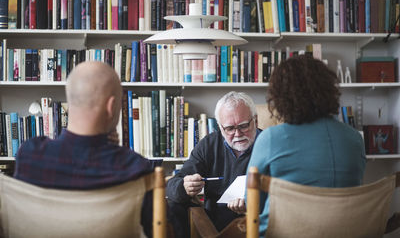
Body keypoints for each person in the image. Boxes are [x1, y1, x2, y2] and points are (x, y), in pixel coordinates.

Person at [14, 62, 154, 234]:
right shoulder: (135, 168)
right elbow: (163, 231)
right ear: (111, 107)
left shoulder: (29, 156)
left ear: (70, 101)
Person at [247, 55, 366, 237]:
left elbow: (253, 205)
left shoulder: (270, 138)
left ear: (280, 97)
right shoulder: (354, 138)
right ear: (328, 90)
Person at [166, 91, 262, 237]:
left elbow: (283, 191)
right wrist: (185, 186)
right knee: (174, 204)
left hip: (259, 223)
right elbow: (173, 185)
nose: (237, 134)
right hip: (215, 227)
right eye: (230, 128)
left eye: (243, 126)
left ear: (255, 120)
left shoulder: (268, 144)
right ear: (220, 126)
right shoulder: (209, 144)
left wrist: (253, 203)